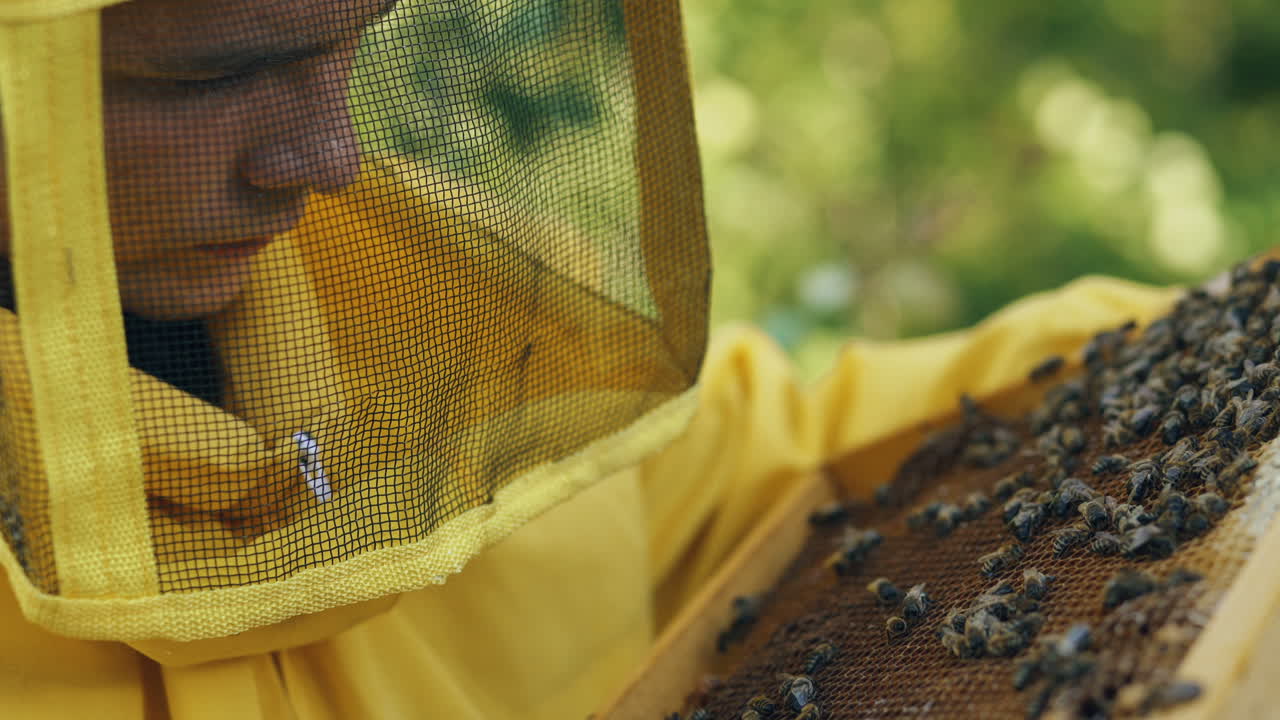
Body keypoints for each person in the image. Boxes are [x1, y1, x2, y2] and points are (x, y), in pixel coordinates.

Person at [0, 0, 1178, 718]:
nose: (328, 157)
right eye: (211, 73)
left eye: (352, 39)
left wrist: (1209, 332)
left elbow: (785, 474)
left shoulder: (428, 288)